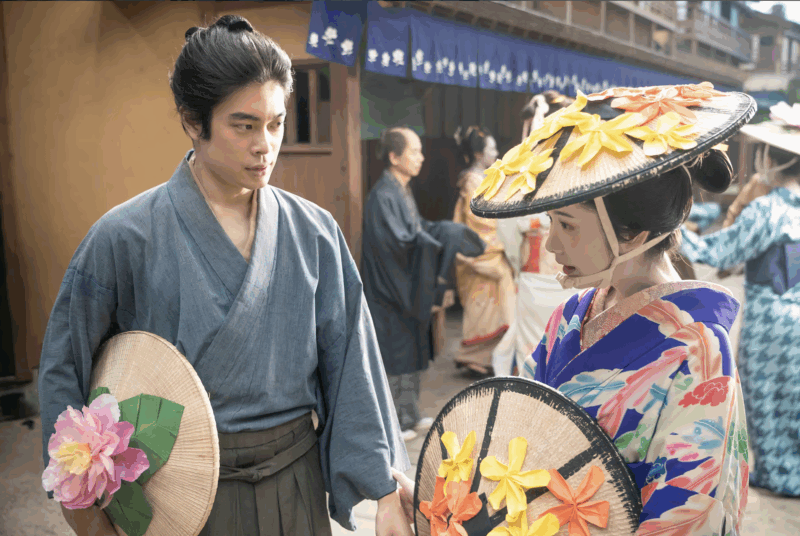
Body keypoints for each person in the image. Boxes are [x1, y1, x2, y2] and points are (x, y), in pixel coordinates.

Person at [37, 15, 412, 536]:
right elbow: (65, 366)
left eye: (276, 123)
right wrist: (83, 506)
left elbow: (353, 366)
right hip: (174, 496)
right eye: (244, 125)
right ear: (193, 121)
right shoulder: (123, 236)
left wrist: (383, 488)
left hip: (293, 485)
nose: (266, 145)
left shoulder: (315, 233)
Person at [394, 83, 754, 533]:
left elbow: (691, 513)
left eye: (567, 225)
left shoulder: (700, 353)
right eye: (551, 221)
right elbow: (513, 437)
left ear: (634, 234)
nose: (551, 244)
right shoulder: (570, 316)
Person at [680, 126, 800, 496]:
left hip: (770, 322)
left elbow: (721, 252)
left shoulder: (768, 209)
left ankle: (780, 474)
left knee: (766, 399)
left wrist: (674, 229)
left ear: (771, 159)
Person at [362, 126, 484, 441]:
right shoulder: (383, 195)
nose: (421, 157)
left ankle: (410, 414)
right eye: (414, 151)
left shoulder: (401, 189)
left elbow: (417, 231)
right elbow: (399, 245)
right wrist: (432, 242)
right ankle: (393, 423)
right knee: (395, 356)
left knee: (412, 352)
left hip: (406, 287)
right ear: (394, 157)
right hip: (391, 289)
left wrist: (444, 232)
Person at [492, 92, 577, 376]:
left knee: (532, 358)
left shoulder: (523, 177)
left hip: (536, 276)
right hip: (576, 278)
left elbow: (508, 234)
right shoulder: (585, 170)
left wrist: (520, 266)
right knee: (570, 354)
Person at [451, 126, 516, 376]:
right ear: (479, 154)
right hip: (481, 250)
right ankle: (473, 356)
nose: (496, 153)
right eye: (491, 149)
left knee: (495, 304)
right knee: (483, 306)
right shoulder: (473, 180)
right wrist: (504, 233)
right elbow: (479, 220)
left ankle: (489, 357)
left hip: (488, 249)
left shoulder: (481, 177)